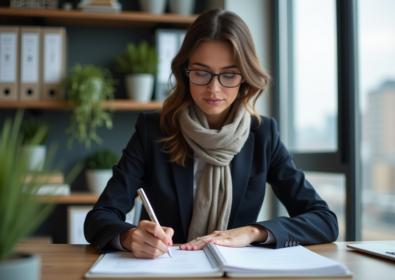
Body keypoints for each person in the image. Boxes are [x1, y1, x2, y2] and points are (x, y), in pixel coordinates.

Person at [84, 8, 338, 259]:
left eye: (229, 74)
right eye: (202, 73)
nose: (213, 89)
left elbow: (324, 220)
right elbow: (100, 217)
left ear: (245, 78)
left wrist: (254, 231)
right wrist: (129, 237)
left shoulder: (263, 135)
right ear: (185, 72)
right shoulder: (153, 129)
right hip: (166, 269)